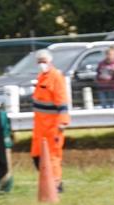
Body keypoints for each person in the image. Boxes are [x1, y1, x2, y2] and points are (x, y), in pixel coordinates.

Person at [31, 49, 70, 192]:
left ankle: (56, 185)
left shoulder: (56, 77)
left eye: (44, 61)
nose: (41, 64)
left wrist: (62, 122)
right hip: (40, 126)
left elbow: (62, 101)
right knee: (36, 155)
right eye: (39, 62)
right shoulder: (41, 77)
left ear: (50, 61)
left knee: (53, 156)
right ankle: (47, 181)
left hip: (53, 126)